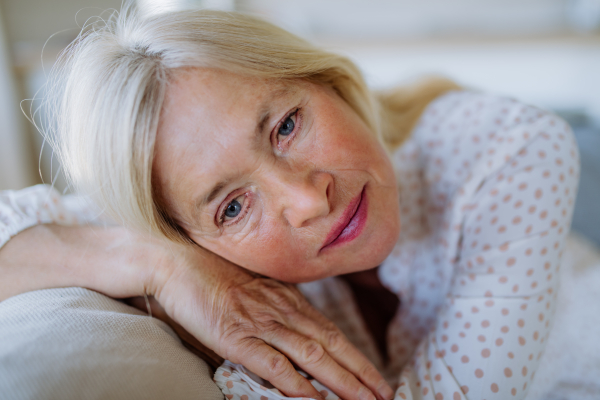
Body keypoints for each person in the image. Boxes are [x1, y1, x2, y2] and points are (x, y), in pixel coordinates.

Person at [0, 5, 580, 400]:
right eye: (232, 207)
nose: (305, 199)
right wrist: (163, 265)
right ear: (190, 236)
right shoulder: (180, 247)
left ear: (325, 81)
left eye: (285, 126)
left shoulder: (509, 147)